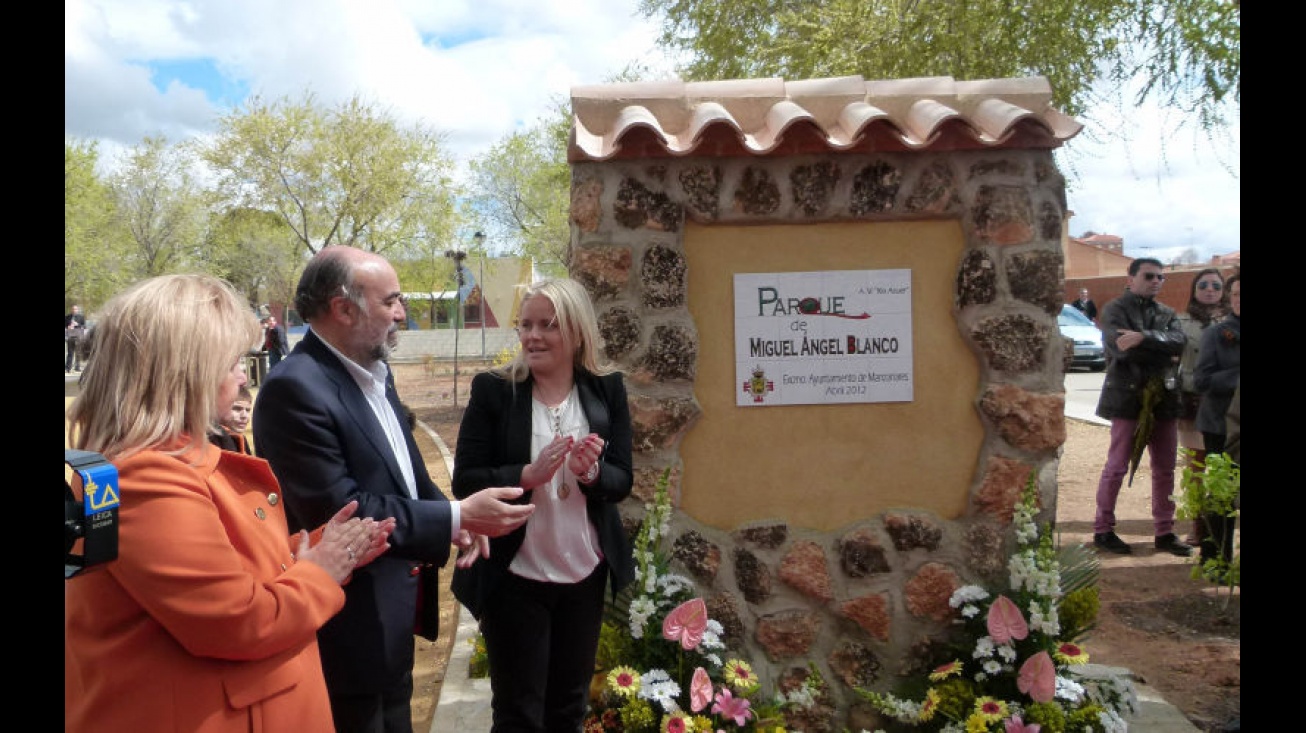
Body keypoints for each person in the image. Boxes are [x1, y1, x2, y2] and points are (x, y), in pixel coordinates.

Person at [65, 273, 396, 733]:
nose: (244, 375)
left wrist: (322, 548)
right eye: (233, 361)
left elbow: (224, 573)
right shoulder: (145, 478)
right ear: (185, 372)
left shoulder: (160, 464)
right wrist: (322, 569)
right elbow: (239, 621)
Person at [253, 245, 535, 733]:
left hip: (392, 619)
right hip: (346, 628)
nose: (402, 313)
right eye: (392, 301)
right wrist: (457, 517)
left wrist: (451, 518)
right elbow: (343, 509)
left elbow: (406, 472)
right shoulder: (294, 389)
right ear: (343, 309)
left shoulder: (373, 373)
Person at [450, 277, 636, 733]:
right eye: (525, 324)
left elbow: (621, 479)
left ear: (576, 332)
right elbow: (465, 480)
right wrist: (525, 476)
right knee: (518, 713)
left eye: (546, 325)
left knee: (569, 709)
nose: (532, 336)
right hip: (515, 574)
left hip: (583, 574)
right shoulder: (495, 391)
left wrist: (591, 473)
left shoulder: (605, 390)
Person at [1091, 258, 1193, 556]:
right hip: (1126, 399)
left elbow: (1179, 344)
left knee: (1165, 469)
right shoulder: (1114, 310)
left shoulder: (1167, 313)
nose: (1156, 281)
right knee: (1117, 466)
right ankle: (1103, 529)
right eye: (1149, 276)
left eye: (1161, 277)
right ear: (1131, 278)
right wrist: (1160, 351)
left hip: (1163, 400)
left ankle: (1165, 532)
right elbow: (1119, 351)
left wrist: (1144, 338)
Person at [1172, 268, 1227, 544]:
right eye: (1203, 284)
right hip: (1193, 402)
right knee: (1195, 469)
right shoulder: (1180, 322)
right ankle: (1197, 527)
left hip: (1225, 405)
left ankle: (1219, 528)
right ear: (1194, 288)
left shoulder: (1232, 321)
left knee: (1223, 467)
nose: (1210, 289)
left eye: (1216, 286)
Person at [1194, 271, 1240, 563]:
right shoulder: (1216, 333)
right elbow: (1202, 380)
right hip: (1221, 425)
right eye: (1236, 295)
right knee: (1222, 495)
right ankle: (1215, 559)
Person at [211, 383, 255, 455]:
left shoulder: (241, 440)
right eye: (237, 409)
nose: (244, 416)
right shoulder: (213, 442)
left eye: (247, 410)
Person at [65, 304, 87, 373]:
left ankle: (77, 367)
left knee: (78, 352)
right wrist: (67, 327)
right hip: (70, 336)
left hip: (78, 336)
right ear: (71, 310)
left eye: (75, 309)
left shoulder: (81, 317)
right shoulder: (67, 317)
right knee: (70, 353)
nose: (74, 310)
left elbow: (84, 326)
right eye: (73, 309)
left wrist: (77, 324)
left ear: (77, 310)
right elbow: (65, 325)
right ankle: (68, 368)